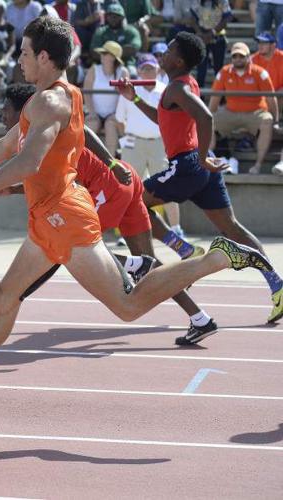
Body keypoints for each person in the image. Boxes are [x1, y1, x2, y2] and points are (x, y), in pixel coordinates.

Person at [0, 18, 272, 399]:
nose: (19, 60)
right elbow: (5, 147)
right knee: (5, 295)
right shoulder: (53, 95)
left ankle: (214, 258)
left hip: (64, 218)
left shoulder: (50, 102)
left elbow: (27, 162)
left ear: (45, 56)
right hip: (48, 218)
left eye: (25, 53)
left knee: (128, 306)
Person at [0, 83, 216, 345]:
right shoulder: (38, 131)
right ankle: (200, 318)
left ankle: (135, 264)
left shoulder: (43, 133)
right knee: (150, 265)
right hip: (125, 179)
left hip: (110, 184)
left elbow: (81, 138)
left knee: (72, 247)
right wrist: (13, 189)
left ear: (23, 111)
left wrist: (16, 294)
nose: (1, 115)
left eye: (6, 109)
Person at [116, 32, 283, 323]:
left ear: (178, 60)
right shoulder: (182, 86)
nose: (162, 55)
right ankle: (277, 285)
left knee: (131, 203)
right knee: (231, 227)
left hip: (188, 164)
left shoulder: (177, 90)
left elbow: (206, 118)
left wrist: (203, 156)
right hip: (199, 167)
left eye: (167, 50)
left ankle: (183, 248)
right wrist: (135, 99)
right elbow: (164, 119)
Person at [115, 53, 184, 236]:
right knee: (128, 188)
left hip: (159, 144)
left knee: (168, 188)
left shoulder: (165, 90)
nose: (147, 71)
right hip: (134, 143)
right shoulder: (127, 91)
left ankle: (176, 228)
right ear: (138, 70)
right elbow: (119, 120)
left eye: (151, 68)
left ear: (157, 70)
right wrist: (129, 138)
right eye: (144, 68)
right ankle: (126, 232)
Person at [209, 41, 278, 175]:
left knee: (267, 120)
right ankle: (206, 162)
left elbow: (271, 98)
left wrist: (275, 120)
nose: (238, 59)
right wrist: (208, 115)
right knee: (208, 121)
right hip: (230, 112)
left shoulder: (260, 72)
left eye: (241, 56)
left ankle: (257, 165)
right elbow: (215, 98)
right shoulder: (224, 72)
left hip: (255, 112)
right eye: (235, 56)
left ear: (248, 57)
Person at [84, 40, 129, 155]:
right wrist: (92, 112)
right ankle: (82, 161)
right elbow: (87, 93)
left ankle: (110, 165)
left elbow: (125, 97)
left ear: (113, 58)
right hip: (95, 112)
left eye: (105, 53)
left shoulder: (123, 72)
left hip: (114, 114)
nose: (101, 55)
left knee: (111, 125)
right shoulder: (94, 70)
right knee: (91, 125)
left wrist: (118, 114)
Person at [189, 0, 231, 87]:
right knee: (201, 68)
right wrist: (200, 33)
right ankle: (200, 93)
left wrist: (212, 33)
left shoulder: (223, 1)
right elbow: (192, 18)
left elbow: (227, 18)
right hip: (202, 36)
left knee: (219, 68)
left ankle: (220, 94)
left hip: (218, 37)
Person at [91, 3, 142, 70]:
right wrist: (112, 57)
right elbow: (94, 51)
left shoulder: (131, 31)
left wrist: (108, 53)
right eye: (110, 16)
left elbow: (133, 49)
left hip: (127, 63)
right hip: (104, 64)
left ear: (123, 17)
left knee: (132, 73)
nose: (113, 18)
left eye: (116, 16)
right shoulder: (101, 31)